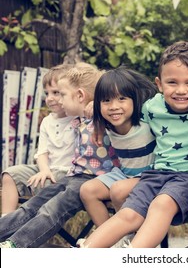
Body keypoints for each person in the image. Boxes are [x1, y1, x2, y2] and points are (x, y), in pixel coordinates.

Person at [79, 41, 188, 248]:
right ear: (159, 84)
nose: (181, 90)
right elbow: (120, 111)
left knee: (161, 204)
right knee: (129, 214)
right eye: (172, 83)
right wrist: (97, 116)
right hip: (155, 175)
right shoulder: (152, 107)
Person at [0, 62, 120, 248]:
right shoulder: (77, 119)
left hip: (93, 180)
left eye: (62, 94)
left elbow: (121, 108)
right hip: (74, 176)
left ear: (80, 95)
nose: (60, 101)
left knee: (51, 210)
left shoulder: (103, 116)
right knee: (32, 206)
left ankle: (15, 246)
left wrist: (96, 107)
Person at [79, 67, 157, 229]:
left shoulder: (146, 117)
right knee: (87, 191)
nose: (114, 106)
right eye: (106, 100)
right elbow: (91, 109)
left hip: (151, 176)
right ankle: (110, 240)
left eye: (121, 99)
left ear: (135, 100)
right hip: (125, 175)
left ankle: (130, 237)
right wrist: (95, 108)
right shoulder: (105, 121)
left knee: (118, 191)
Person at [1, 64, 76, 216]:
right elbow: (42, 152)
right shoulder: (47, 121)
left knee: (43, 183)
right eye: (47, 93)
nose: (50, 98)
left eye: (56, 92)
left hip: (68, 173)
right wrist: (44, 170)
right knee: (10, 174)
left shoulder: (79, 118)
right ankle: (6, 222)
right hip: (47, 169)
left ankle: (29, 227)